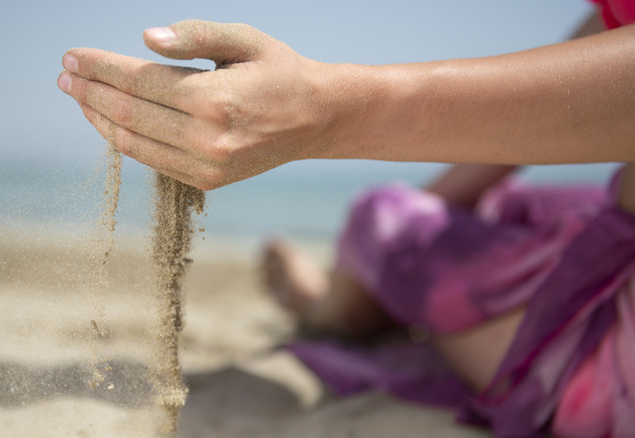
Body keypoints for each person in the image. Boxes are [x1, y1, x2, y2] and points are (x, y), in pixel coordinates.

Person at [58, 2, 635, 437]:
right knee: (498, 209)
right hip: (608, 215)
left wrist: (324, 114)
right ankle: (374, 267)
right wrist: (416, 223)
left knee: (380, 212)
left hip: (610, 358)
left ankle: (327, 302)